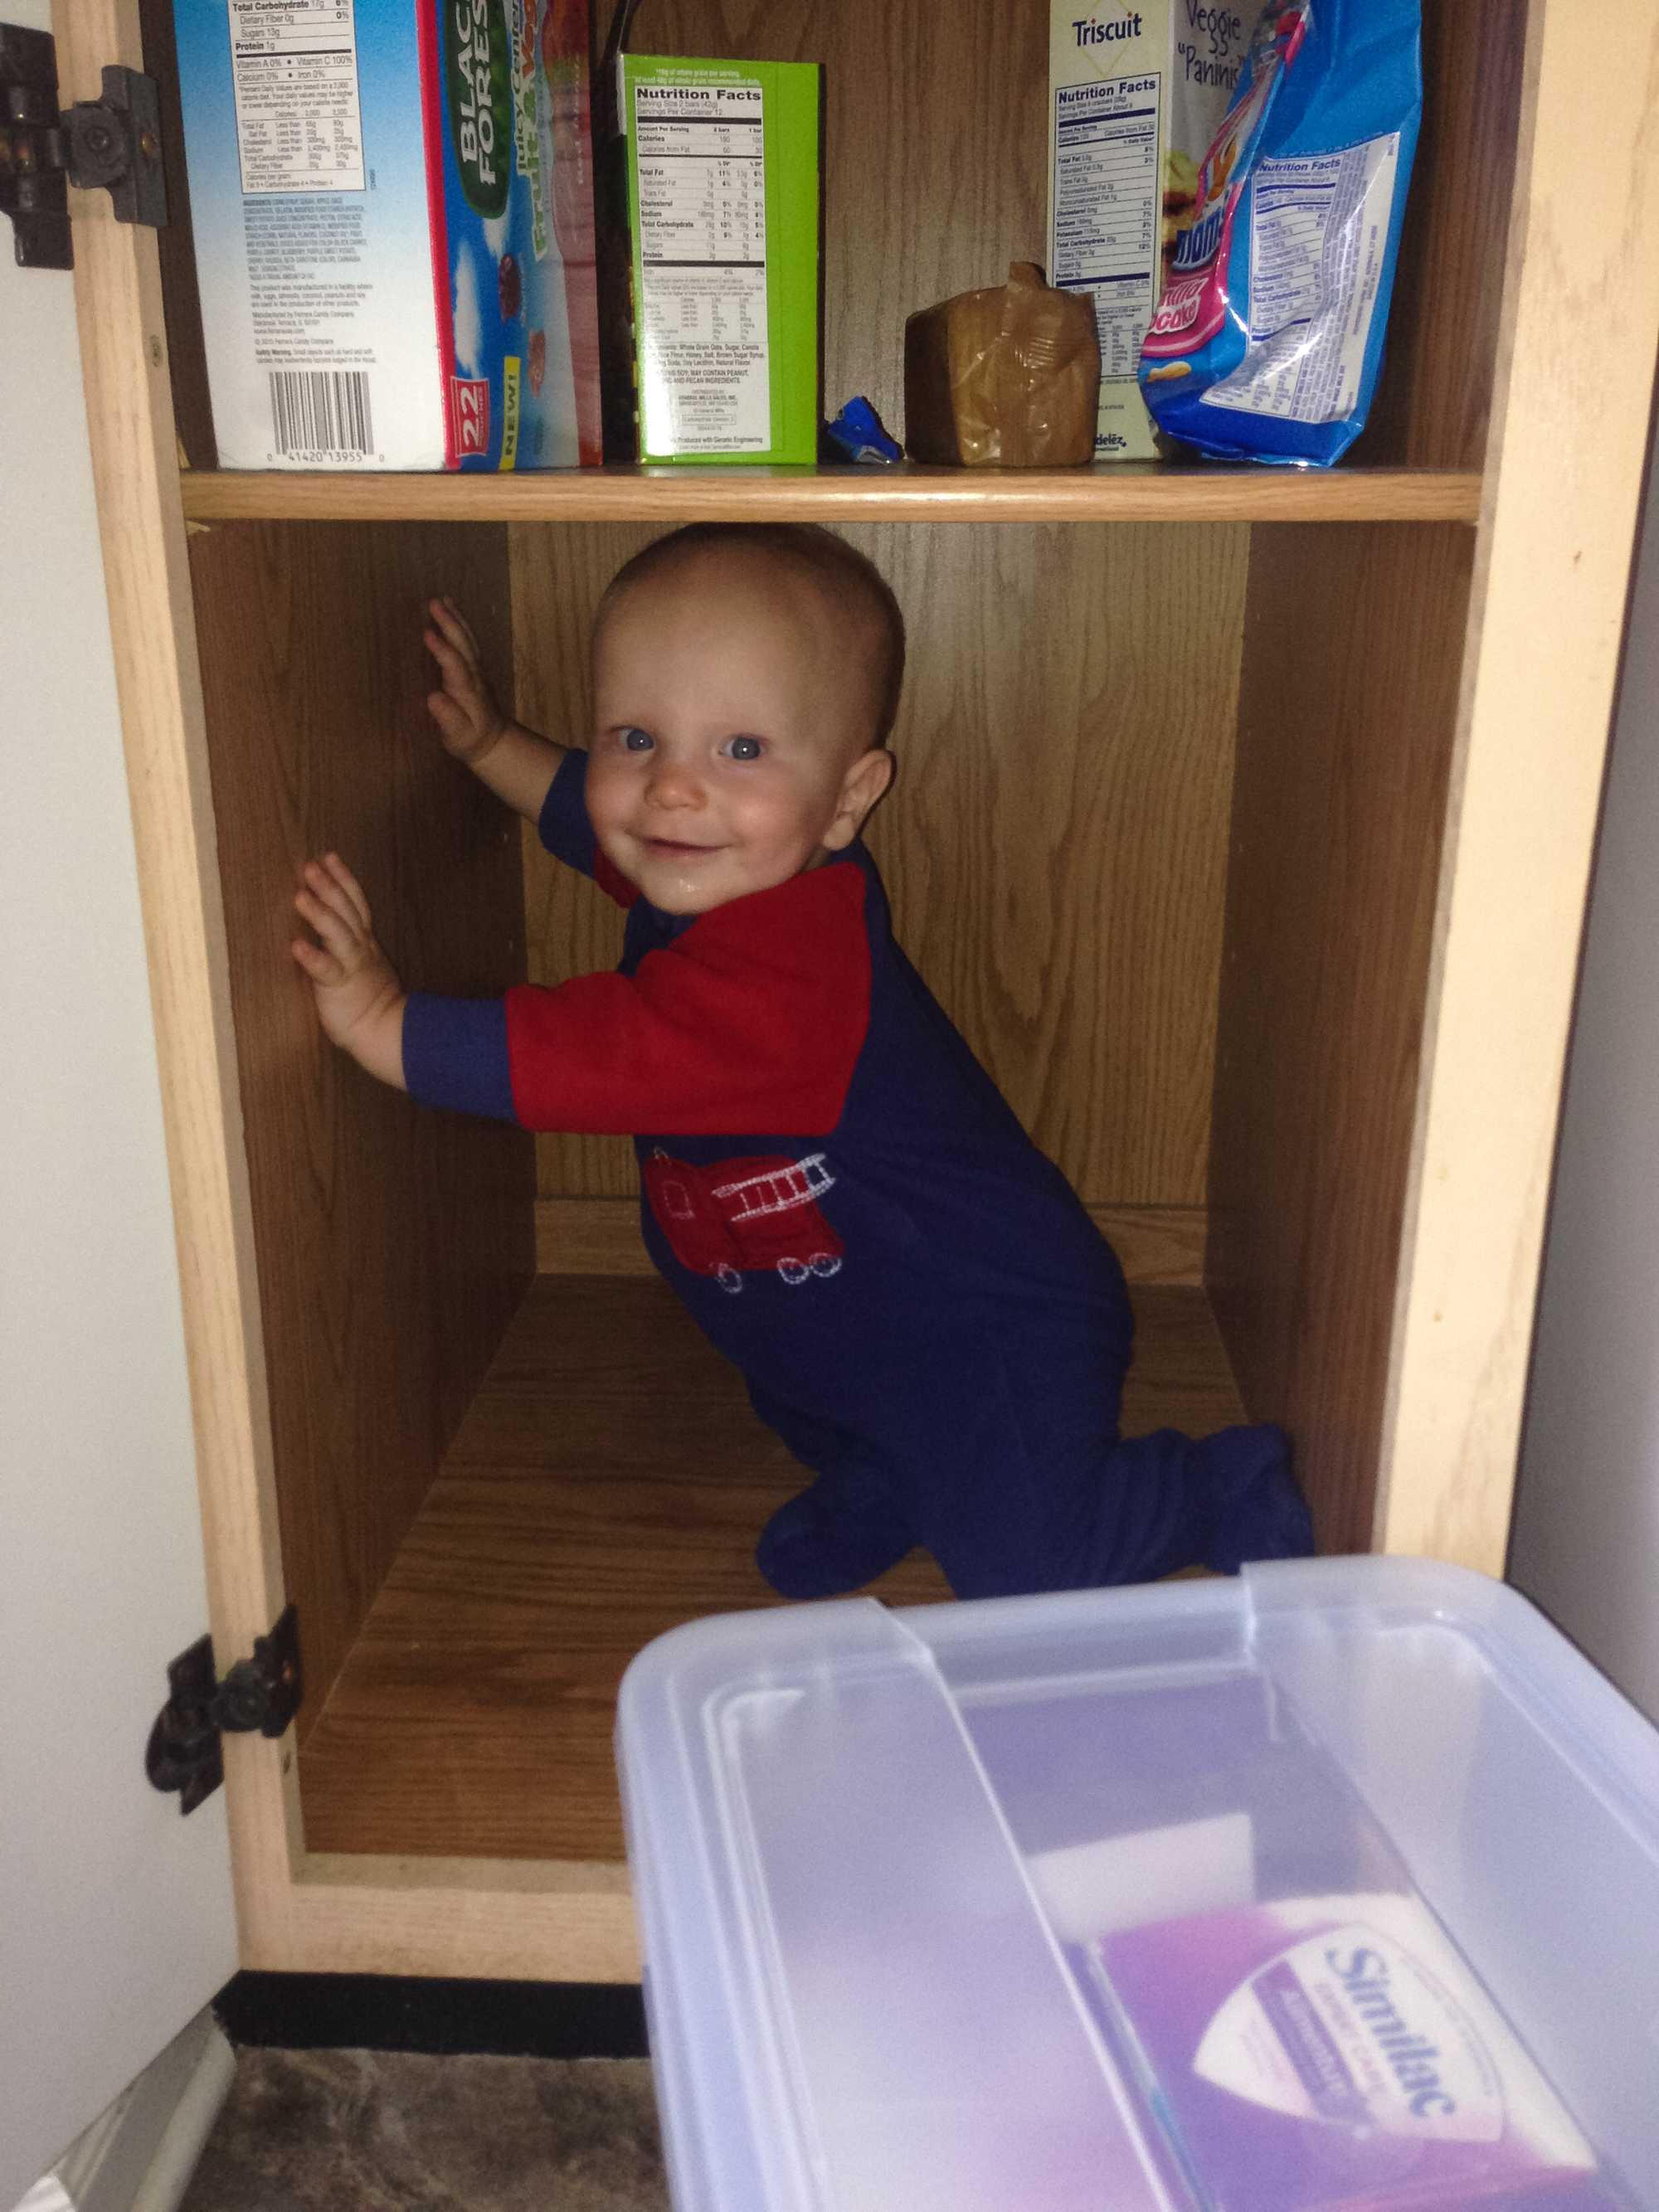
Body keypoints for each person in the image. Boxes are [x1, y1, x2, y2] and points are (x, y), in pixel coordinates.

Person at [292, 522, 1313, 1600]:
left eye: (740, 750)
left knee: (1031, 1566)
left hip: (984, 1326)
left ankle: (1217, 1489)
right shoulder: (734, 863)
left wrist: (384, 1022)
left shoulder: (792, 977)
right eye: (637, 737)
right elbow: (598, 823)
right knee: (806, 1394)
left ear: (849, 799)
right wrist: (493, 745)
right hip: (845, 1314)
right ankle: (900, 1473)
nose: (671, 790)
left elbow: (593, 1054)